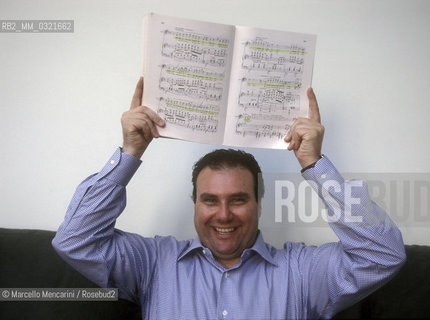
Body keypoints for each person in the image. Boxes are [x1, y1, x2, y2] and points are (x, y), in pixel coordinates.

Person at [52, 77, 406, 319]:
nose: (223, 215)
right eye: (210, 200)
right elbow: (74, 241)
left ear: (258, 203)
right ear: (195, 204)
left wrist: (314, 164)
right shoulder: (153, 263)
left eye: (238, 199)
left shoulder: (302, 272)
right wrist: (130, 152)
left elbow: (382, 255)